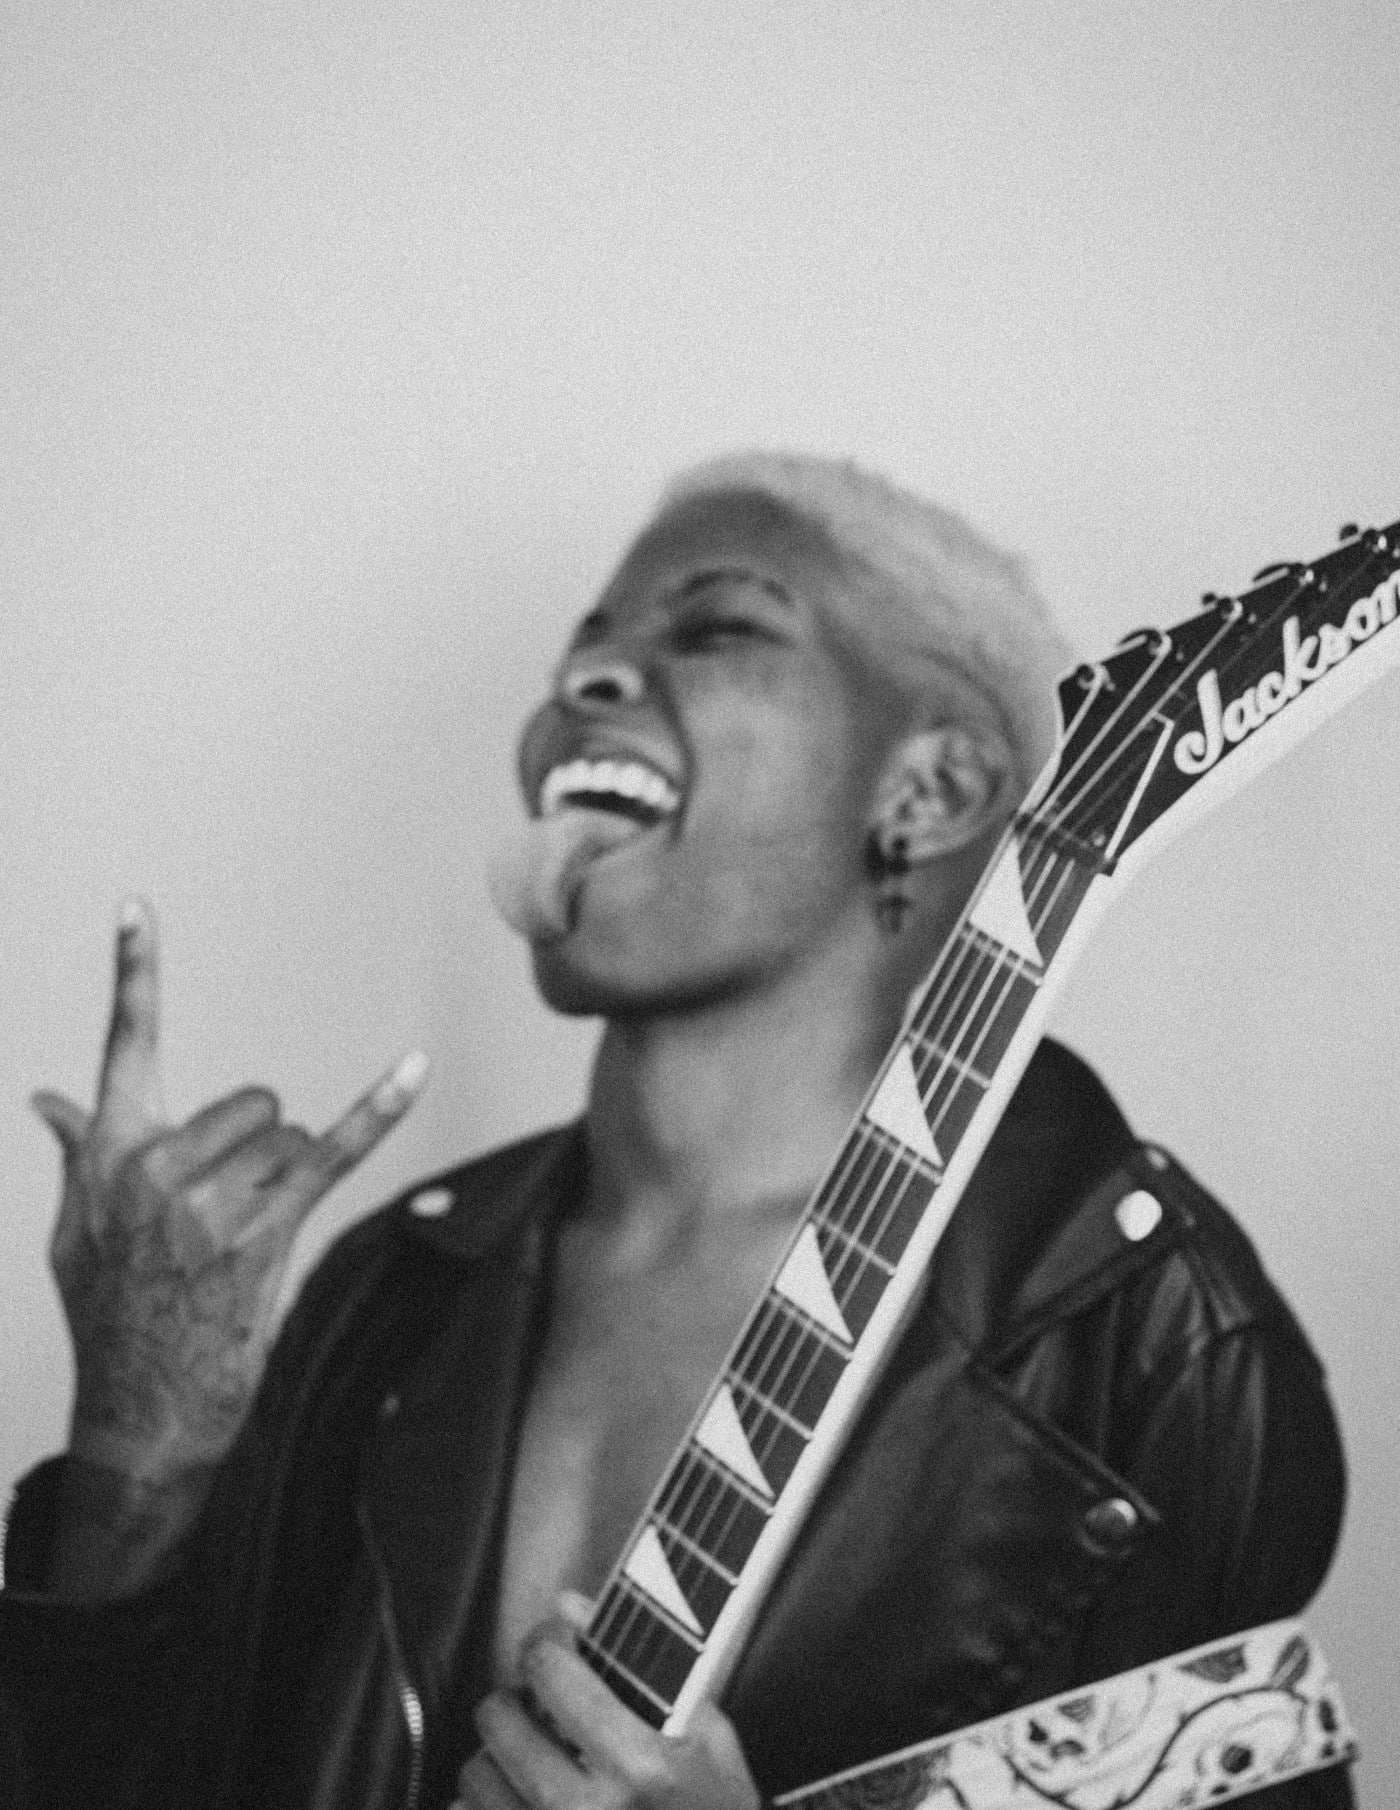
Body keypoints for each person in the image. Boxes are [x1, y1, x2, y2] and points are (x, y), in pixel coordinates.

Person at [0, 456, 1350, 1810]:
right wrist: (139, 1438)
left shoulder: (1144, 1331)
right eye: (581, 651)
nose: (579, 684)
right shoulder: (395, 1288)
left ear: (931, 789)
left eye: (716, 628)